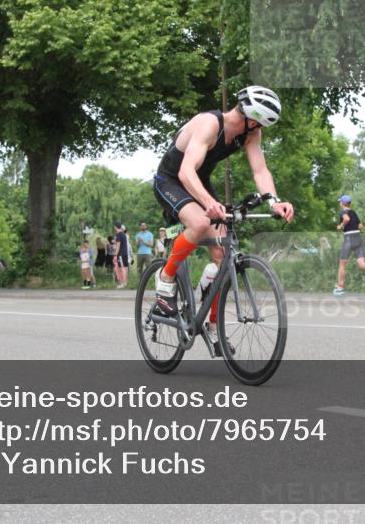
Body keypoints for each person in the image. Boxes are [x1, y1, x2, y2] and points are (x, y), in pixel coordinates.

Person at [151, 85, 294, 356]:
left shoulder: (250, 134)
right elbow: (185, 172)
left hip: (199, 181)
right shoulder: (209, 124)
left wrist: (274, 201)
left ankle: (214, 325)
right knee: (200, 223)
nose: (260, 129)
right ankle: (165, 277)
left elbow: (260, 170)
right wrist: (209, 204)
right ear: (251, 119)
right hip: (171, 179)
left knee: (222, 255)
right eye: (260, 123)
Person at [333, 194, 365, 295]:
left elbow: (346, 219)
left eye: (340, 202)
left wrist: (341, 226)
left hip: (349, 238)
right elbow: (360, 226)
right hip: (358, 238)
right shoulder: (354, 212)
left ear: (342, 203)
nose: (339, 203)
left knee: (342, 264)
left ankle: (340, 288)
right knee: (361, 263)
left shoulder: (343, 212)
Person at [113, 222, 130, 289]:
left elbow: (118, 245)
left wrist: (115, 255)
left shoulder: (118, 234)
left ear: (115, 227)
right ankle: (126, 282)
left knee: (122, 268)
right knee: (125, 268)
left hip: (121, 254)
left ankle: (123, 283)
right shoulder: (123, 234)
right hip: (125, 253)